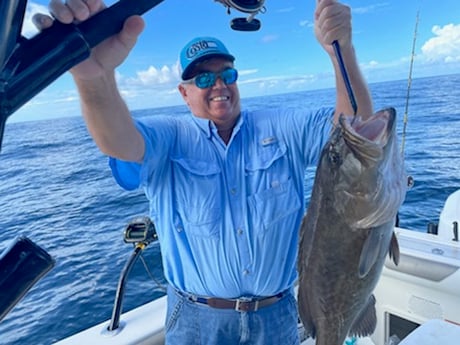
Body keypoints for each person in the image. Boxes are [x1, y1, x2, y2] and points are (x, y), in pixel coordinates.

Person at [35, 0, 373, 344]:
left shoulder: (281, 126)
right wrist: (95, 80)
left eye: (227, 74)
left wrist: (340, 51)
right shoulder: (169, 137)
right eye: (204, 78)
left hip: (277, 314)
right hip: (197, 321)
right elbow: (119, 142)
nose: (219, 85)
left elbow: (353, 134)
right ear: (184, 93)